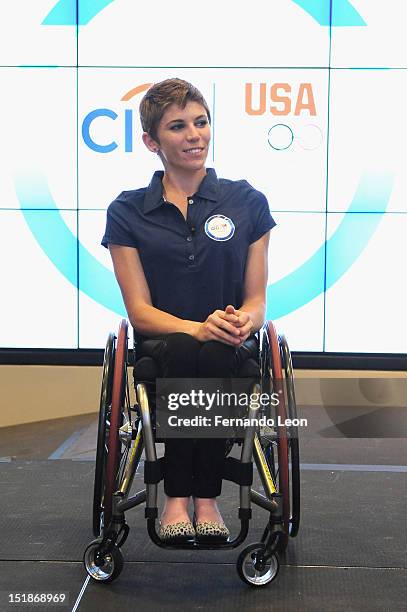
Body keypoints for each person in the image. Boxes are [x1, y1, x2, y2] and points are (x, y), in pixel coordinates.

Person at [102, 78, 275, 542]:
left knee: (218, 357)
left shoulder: (247, 203)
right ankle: (178, 495)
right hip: (162, 346)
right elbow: (138, 310)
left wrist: (244, 320)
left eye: (201, 122)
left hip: (229, 345)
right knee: (182, 353)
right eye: (178, 126)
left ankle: (207, 497)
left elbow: (256, 301)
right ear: (151, 142)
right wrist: (197, 328)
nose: (194, 135)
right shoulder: (127, 212)